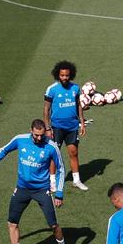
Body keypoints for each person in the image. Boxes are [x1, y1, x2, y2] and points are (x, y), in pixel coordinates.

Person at [0, 119, 73, 244]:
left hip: (42, 190)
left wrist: (59, 193)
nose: (39, 138)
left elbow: (60, 168)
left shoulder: (51, 146)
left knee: (53, 225)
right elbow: (3, 150)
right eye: (36, 135)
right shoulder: (20, 140)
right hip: (22, 189)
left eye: (41, 135)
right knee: (12, 223)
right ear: (31, 130)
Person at [43, 60, 88, 191]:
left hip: (72, 127)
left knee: (73, 152)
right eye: (62, 75)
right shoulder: (52, 89)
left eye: (67, 75)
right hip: (57, 127)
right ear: (58, 75)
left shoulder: (75, 88)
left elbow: (79, 105)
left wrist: (82, 123)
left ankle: (76, 180)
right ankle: (52, 181)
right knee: (54, 154)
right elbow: (46, 109)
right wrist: (47, 128)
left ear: (71, 75)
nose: (64, 78)